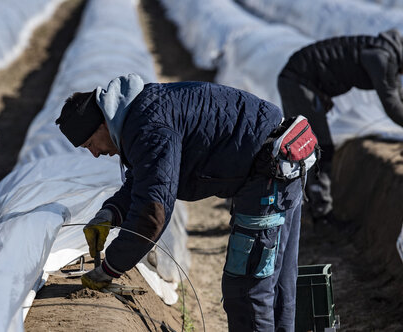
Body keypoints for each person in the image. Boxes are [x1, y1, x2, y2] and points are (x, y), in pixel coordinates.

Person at [55, 73, 316, 331]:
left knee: (247, 289)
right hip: (282, 163)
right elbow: (148, 177)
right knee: (277, 281)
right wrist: (111, 213)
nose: (96, 154)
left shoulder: (146, 126)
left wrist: (110, 268)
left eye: (90, 144)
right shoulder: (140, 111)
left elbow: (152, 212)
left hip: (268, 173)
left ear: (102, 124)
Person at [277, 29, 403, 223]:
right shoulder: (381, 57)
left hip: (303, 80)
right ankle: (320, 213)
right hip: (297, 80)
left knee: (307, 146)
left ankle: (302, 204)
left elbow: (400, 97)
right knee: (317, 148)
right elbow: (392, 104)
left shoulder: (386, 54)